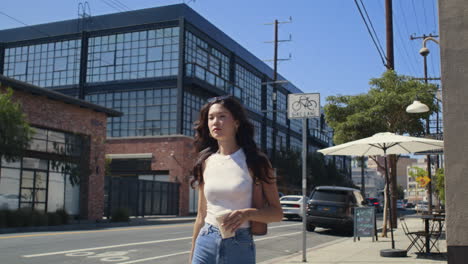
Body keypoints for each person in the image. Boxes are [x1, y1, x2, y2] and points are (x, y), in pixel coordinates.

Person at [189, 95, 283, 264]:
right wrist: (192, 255)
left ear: (237, 122)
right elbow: (201, 216)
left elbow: (277, 213)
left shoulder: (256, 162)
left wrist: (246, 214)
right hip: (205, 240)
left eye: (222, 116)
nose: (215, 122)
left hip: (239, 244)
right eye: (211, 118)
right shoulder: (205, 162)